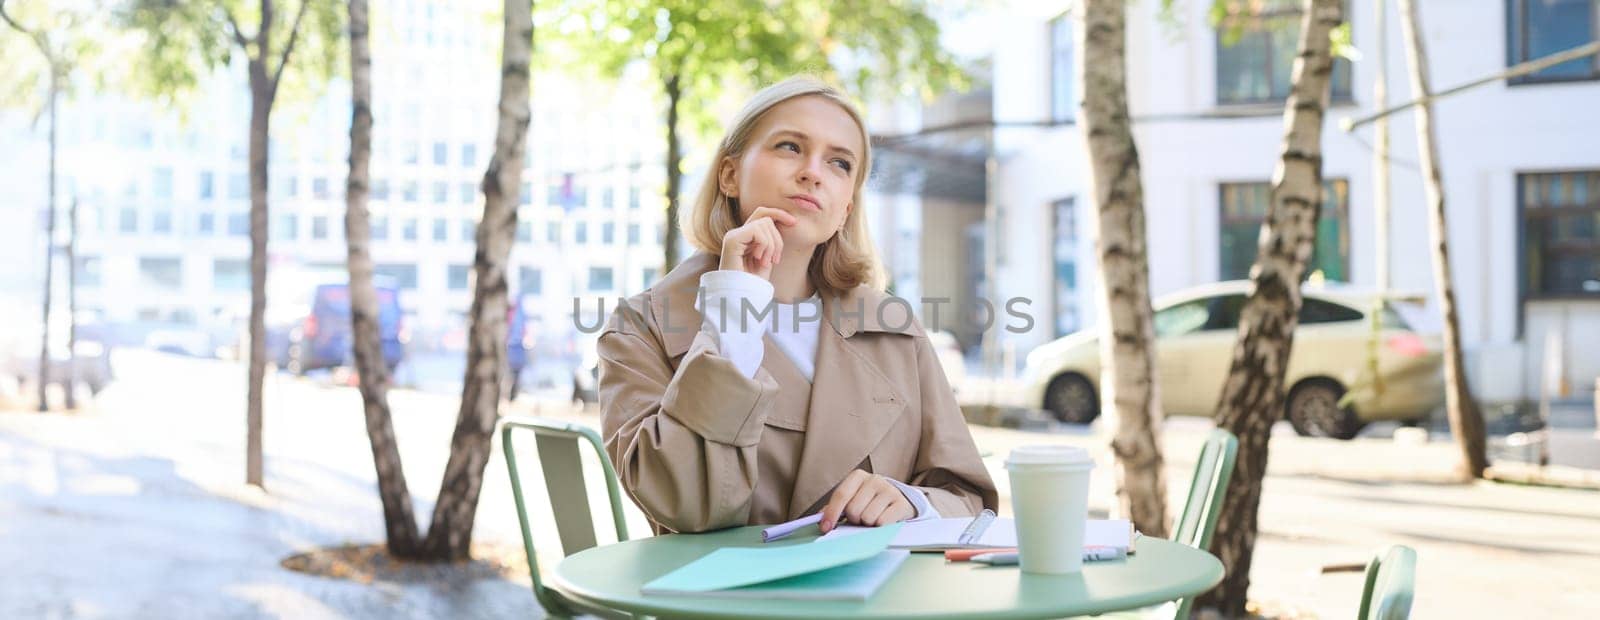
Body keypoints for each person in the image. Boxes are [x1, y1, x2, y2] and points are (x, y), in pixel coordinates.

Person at [597, 76, 997, 535]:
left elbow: (969, 500)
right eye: (789, 147)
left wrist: (910, 503)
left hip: (878, 600)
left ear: (846, 207)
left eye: (840, 163)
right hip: (728, 602)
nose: (813, 172)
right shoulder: (639, 327)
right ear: (730, 174)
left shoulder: (894, 326)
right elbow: (683, 503)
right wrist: (734, 309)